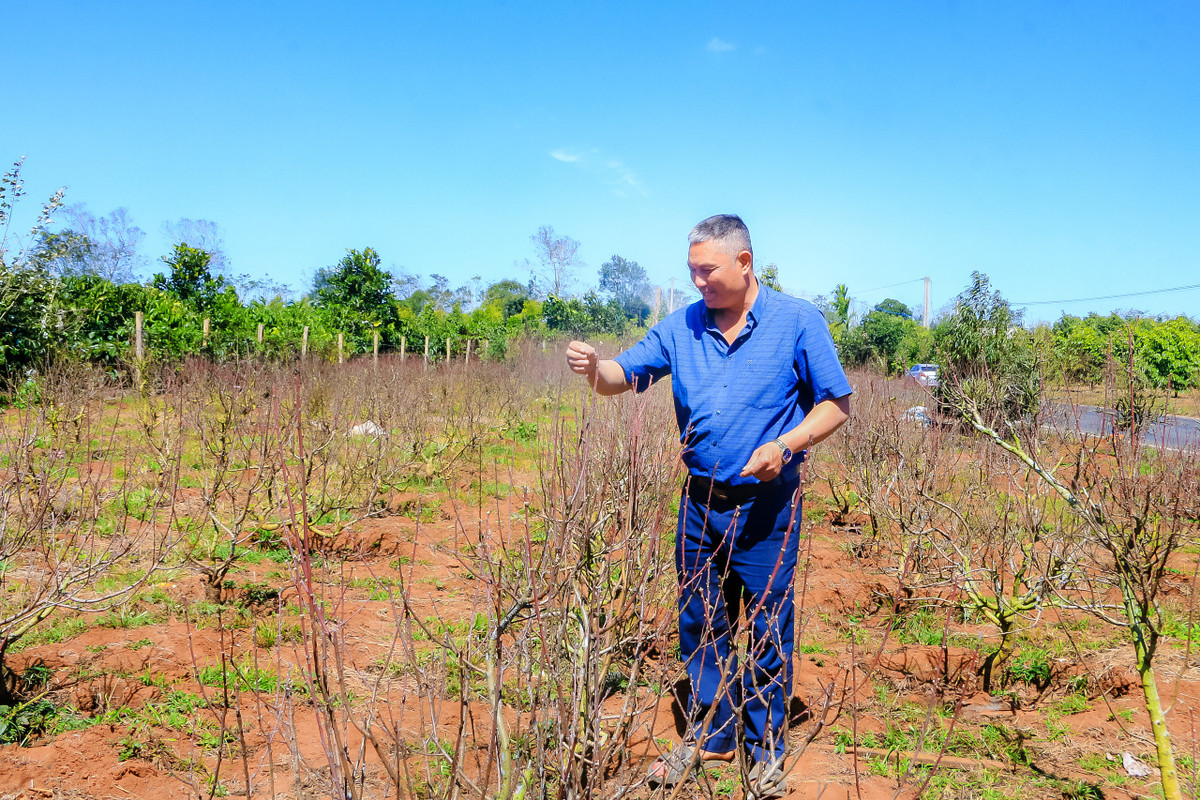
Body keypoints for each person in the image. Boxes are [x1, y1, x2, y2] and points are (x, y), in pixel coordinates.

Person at [565, 214, 852, 797]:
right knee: (701, 621)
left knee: (769, 624)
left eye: (708, 270)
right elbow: (623, 375)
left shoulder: (798, 322)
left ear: (745, 263)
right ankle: (711, 734)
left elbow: (837, 404)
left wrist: (785, 444)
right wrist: (596, 370)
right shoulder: (681, 327)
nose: (697, 281)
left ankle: (765, 747)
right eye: (691, 270)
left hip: (767, 508)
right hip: (700, 504)